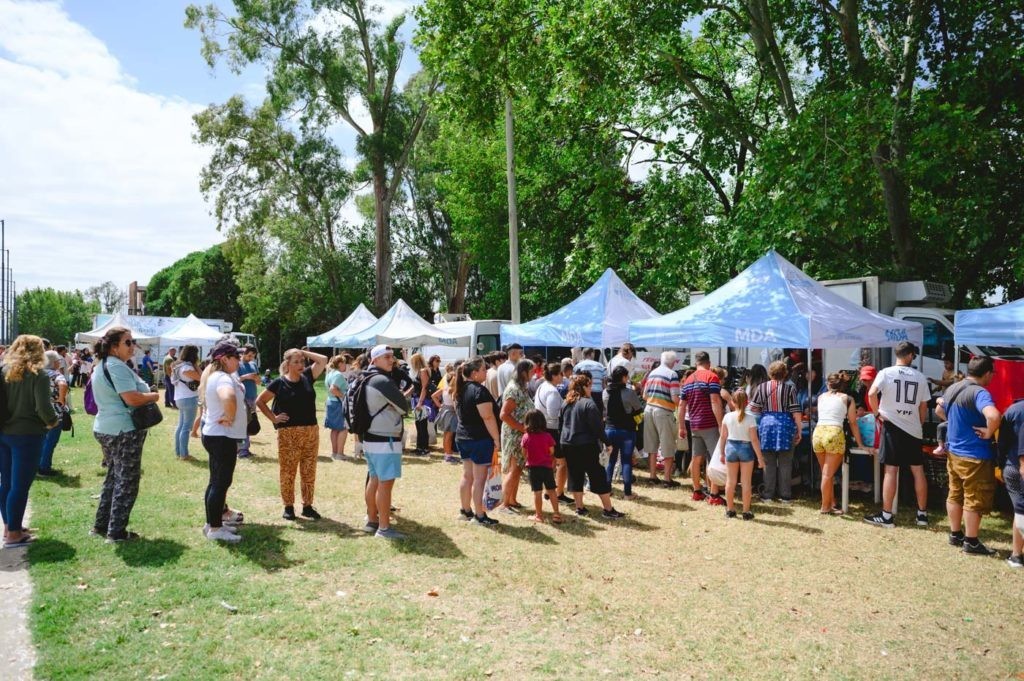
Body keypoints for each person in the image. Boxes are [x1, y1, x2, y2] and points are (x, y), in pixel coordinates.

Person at [90, 327, 160, 542]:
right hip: (122, 430)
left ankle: (101, 526)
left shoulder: (102, 366)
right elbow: (132, 399)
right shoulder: (115, 366)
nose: (132, 346)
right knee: (127, 482)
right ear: (113, 347)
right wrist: (153, 396)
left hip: (107, 428)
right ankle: (117, 532)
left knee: (113, 478)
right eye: (127, 342)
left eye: (133, 341)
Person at [935, 356, 1001, 555]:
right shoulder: (980, 392)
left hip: (954, 452)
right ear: (987, 373)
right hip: (975, 455)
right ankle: (971, 542)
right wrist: (989, 432)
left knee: (955, 493)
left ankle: (955, 534)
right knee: (974, 497)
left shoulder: (953, 388)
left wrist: (957, 424)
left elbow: (939, 410)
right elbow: (994, 416)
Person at [863, 342, 930, 528]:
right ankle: (922, 514)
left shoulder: (885, 372)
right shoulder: (920, 377)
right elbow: (923, 406)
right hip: (913, 428)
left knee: (891, 470)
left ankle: (886, 516)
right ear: (909, 355)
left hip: (891, 426)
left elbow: (871, 393)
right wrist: (919, 423)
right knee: (918, 470)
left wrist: (877, 414)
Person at [1, 335, 60, 547]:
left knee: (6, 483)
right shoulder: (39, 375)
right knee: (20, 485)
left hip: (4, 432)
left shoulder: (4, 371)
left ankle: (10, 526)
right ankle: (14, 533)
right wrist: (53, 422)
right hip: (28, 434)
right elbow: (43, 408)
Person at [256, 347, 328, 521]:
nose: (300, 364)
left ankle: (307, 506)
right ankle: (288, 506)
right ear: (287, 364)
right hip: (288, 433)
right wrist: (273, 418)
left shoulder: (307, 377)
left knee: (309, 470)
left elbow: (323, 360)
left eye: (301, 361)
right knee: (288, 471)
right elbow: (260, 401)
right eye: (296, 362)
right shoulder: (279, 383)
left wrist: (304, 352)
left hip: (311, 431)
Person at [357, 345, 411, 539]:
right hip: (385, 438)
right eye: (386, 357)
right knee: (385, 485)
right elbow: (405, 407)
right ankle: (384, 528)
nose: (392, 360)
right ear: (375, 360)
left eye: (392, 357)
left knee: (374, 480)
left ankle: (372, 521)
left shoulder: (364, 376)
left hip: (370, 437)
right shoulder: (382, 380)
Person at [559, 374, 625, 518]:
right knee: (598, 475)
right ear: (584, 387)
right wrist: (607, 443)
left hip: (567, 443)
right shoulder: (588, 404)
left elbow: (561, 425)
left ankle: (580, 508)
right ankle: (608, 509)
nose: (591, 388)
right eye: (589, 385)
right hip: (586, 444)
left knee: (575, 476)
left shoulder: (566, 402)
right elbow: (598, 428)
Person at [200, 342, 248, 542]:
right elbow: (228, 397)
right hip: (222, 436)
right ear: (224, 359)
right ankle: (215, 529)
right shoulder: (222, 378)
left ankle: (213, 522)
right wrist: (229, 416)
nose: (239, 360)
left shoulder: (219, 376)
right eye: (236, 357)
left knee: (216, 482)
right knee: (220, 482)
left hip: (219, 436)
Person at [455, 357, 501, 526]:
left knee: (467, 476)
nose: (486, 371)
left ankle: (465, 510)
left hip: (463, 437)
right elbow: (488, 417)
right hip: (478, 439)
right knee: (479, 478)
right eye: (483, 369)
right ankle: (479, 515)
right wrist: (496, 439)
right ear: (474, 373)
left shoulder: (459, 389)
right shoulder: (479, 391)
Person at [749, 361, 802, 503]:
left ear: (770, 373)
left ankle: (768, 495)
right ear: (785, 373)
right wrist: (799, 430)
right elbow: (796, 412)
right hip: (785, 426)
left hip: (767, 425)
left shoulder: (761, 387)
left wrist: (766, 412)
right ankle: (785, 495)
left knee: (768, 462)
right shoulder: (789, 389)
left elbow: (753, 409)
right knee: (785, 462)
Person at [814, 373, 866, 515]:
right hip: (834, 432)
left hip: (818, 432)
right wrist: (860, 443)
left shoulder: (821, 397)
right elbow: (853, 422)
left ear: (828, 384)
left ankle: (831, 502)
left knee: (825, 472)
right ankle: (825, 507)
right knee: (828, 474)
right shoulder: (848, 399)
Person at [679, 351, 725, 501]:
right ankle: (714, 494)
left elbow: (682, 405)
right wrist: (720, 424)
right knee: (714, 458)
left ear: (696, 363)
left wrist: (681, 426)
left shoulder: (688, 380)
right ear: (708, 363)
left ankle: (697, 491)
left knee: (696, 458)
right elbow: (715, 401)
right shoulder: (712, 377)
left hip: (694, 424)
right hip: (710, 423)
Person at [717, 390, 763, 520]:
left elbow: (723, 437)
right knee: (746, 482)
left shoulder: (727, 417)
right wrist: (760, 457)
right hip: (746, 448)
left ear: (732, 401)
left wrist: (721, 452)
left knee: (730, 481)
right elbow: (754, 440)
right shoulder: (751, 418)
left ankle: (730, 509)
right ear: (747, 402)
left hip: (731, 447)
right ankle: (746, 511)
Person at [498, 359, 534, 512]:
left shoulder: (521, 387)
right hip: (514, 435)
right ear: (523, 372)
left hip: (519, 434)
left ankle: (512, 500)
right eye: (531, 371)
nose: (533, 374)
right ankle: (504, 504)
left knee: (517, 469)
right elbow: (504, 415)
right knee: (514, 470)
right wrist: (522, 428)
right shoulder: (514, 389)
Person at [604, 365, 644, 500]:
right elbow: (638, 409)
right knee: (626, 461)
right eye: (627, 376)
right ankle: (627, 493)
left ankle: (607, 490)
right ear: (623, 377)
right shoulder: (629, 393)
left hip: (610, 430)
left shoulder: (605, 392)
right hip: (627, 430)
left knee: (611, 461)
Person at [534, 362, 571, 502]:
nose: (563, 376)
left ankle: (548, 491)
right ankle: (559, 493)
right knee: (562, 463)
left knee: (550, 462)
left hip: (544, 428)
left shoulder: (542, 386)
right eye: (560, 374)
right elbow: (553, 414)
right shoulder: (552, 391)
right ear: (555, 376)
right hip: (551, 429)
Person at [643, 351, 681, 486]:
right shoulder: (672, 374)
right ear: (674, 362)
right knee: (668, 445)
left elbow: (644, 395)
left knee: (651, 446)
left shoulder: (652, 373)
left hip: (648, 409)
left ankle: (652, 476)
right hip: (663, 411)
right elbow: (675, 398)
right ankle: (666, 478)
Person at [522, 409, 561, 523]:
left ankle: (539, 515)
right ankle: (556, 514)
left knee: (537, 492)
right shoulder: (547, 436)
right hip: (547, 467)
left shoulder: (526, 437)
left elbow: (524, 453)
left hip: (533, 468)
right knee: (552, 490)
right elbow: (552, 451)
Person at [998, 397, 1024, 568]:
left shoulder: (1013, 410)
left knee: (1020, 510)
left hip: (1013, 466)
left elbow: (1002, 442)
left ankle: (1016, 555)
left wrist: (1000, 465)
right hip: (1017, 466)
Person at [37, 350, 68, 477]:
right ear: (54, 362)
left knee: (41, 440)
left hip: (39, 411)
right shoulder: (56, 374)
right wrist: (61, 399)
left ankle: (37, 465)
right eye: (58, 361)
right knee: (51, 441)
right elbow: (63, 384)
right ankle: (44, 467)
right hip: (54, 411)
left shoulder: (38, 374)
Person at [171, 345, 202, 462]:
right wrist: (196, 365)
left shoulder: (177, 366)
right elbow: (202, 377)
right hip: (189, 398)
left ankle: (179, 452)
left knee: (181, 426)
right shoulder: (187, 368)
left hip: (179, 398)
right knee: (186, 427)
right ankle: (184, 454)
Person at [324, 354, 351, 461]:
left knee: (334, 429)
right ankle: (340, 454)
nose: (346, 365)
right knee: (343, 429)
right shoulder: (338, 375)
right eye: (345, 363)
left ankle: (335, 453)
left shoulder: (330, 373)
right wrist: (344, 396)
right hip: (338, 404)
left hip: (331, 402)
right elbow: (333, 389)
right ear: (340, 364)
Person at [432, 364, 460, 464]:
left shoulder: (445, 388)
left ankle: (447, 454)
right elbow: (455, 403)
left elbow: (434, 396)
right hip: (451, 412)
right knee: (449, 435)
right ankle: (448, 456)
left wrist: (440, 406)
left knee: (446, 435)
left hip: (445, 411)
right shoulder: (453, 391)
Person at [236, 345, 260, 459]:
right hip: (242, 397)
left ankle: (245, 448)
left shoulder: (253, 364)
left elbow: (259, 382)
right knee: (242, 423)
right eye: (249, 355)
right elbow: (235, 380)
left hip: (252, 397)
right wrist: (246, 377)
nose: (251, 358)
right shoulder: (237, 364)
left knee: (249, 423)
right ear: (244, 353)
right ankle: (242, 450)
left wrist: (256, 378)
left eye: (253, 356)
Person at [409, 352, 433, 456]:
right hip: (417, 399)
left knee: (422, 424)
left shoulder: (423, 371)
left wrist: (420, 402)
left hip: (422, 401)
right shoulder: (419, 372)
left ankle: (424, 448)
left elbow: (424, 388)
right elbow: (415, 386)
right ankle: (419, 447)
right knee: (418, 424)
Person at [574, 348, 608, 413]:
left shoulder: (578, 366)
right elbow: (604, 383)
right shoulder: (600, 366)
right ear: (592, 354)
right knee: (597, 415)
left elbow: (575, 381)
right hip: (598, 394)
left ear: (583, 354)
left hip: (582, 393)